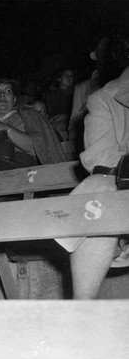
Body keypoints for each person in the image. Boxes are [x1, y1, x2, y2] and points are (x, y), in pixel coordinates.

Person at [56, 31, 129, 299]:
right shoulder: (104, 100)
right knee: (98, 188)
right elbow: (103, 161)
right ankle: (83, 308)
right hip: (122, 187)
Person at [44, 68, 75, 142]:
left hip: (71, 126)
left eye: (71, 76)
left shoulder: (77, 93)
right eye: (66, 75)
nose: (69, 77)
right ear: (59, 78)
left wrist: (66, 116)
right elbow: (48, 112)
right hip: (55, 127)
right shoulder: (50, 95)